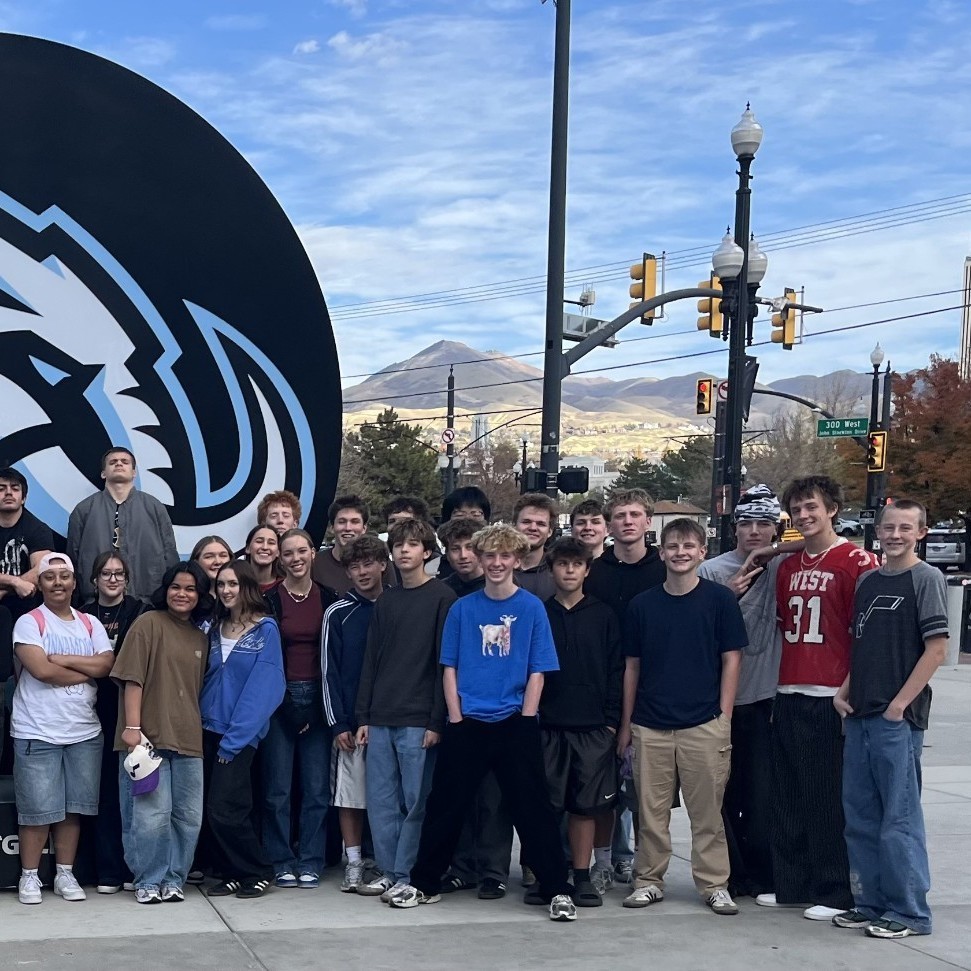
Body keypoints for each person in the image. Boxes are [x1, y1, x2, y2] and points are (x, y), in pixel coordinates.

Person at [388, 524, 576, 923]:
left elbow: (538, 669)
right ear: (479, 557)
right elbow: (449, 666)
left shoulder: (531, 608)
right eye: (489, 555)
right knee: (446, 805)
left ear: (517, 561)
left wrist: (526, 717)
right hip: (468, 721)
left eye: (504, 556)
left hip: (515, 721)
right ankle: (425, 883)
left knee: (533, 808)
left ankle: (557, 888)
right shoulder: (463, 608)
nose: (496, 563)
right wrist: (456, 717)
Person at [757, 475, 880, 921]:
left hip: (829, 693)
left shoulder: (856, 560)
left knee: (825, 795)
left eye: (812, 507)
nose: (805, 515)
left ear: (832, 509)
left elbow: (865, 634)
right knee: (786, 793)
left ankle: (834, 889)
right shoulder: (786, 566)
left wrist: (850, 689)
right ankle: (792, 883)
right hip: (788, 688)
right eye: (797, 508)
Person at [617, 518, 745, 916]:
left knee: (706, 812)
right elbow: (632, 667)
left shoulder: (720, 601)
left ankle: (713, 884)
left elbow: (732, 659)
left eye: (689, 546)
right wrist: (627, 725)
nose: (681, 553)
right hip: (650, 724)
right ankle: (648, 880)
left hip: (703, 723)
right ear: (662, 552)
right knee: (650, 813)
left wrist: (723, 715)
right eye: (673, 546)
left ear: (702, 552)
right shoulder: (643, 605)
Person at [832, 500, 948, 940]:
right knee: (860, 816)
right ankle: (871, 903)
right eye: (889, 527)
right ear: (878, 530)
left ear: (921, 532)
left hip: (897, 721)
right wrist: (844, 692)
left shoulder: (927, 579)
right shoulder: (867, 581)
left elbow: (936, 649)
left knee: (898, 819)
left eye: (905, 528)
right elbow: (862, 645)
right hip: (859, 715)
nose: (895, 534)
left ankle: (909, 912)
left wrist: (899, 705)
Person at [697, 484, 793, 899]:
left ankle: (762, 872)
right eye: (747, 523)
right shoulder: (713, 571)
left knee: (761, 795)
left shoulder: (786, 565)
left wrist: (774, 551)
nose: (754, 531)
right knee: (720, 795)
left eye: (764, 523)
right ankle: (731, 872)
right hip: (719, 702)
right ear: (734, 527)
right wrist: (727, 595)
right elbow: (696, 632)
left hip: (765, 697)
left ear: (776, 528)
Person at [354, 518, 456, 900]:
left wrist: (436, 720)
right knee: (381, 802)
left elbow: (443, 665)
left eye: (412, 545)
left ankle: (409, 872)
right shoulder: (388, 600)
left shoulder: (443, 598)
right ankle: (388, 868)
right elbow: (371, 661)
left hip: (419, 721)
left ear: (427, 552)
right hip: (381, 717)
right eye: (398, 545)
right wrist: (363, 716)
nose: (403, 551)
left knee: (415, 803)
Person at [11, 553, 115, 905]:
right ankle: (29, 877)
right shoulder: (29, 622)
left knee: (73, 809)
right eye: (50, 577)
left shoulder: (89, 623)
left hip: (84, 732)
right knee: (38, 809)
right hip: (37, 730)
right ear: (39, 584)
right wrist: (86, 671)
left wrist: (64, 659)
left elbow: (108, 663)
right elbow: (41, 671)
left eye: (64, 576)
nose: (58, 583)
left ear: (74, 582)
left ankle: (65, 874)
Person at [111, 561, 212, 904]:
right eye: (175, 587)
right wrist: (133, 729)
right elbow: (131, 678)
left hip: (189, 740)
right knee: (149, 816)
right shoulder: (148, 623)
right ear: (165, 590)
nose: (181, 594)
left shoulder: (201, 636)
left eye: (190, 589)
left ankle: (173, 879)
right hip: (146, 741)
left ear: (200, 596)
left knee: (188, 817)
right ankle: (147, 881)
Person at [585, 488, 665, 886]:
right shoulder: (595, 571)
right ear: (609, 524)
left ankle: (627, 856)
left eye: (635, 514)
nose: (628, 521)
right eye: (620, 515)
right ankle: (603, 858)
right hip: (601, 686)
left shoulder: (664, 569)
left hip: (653, 687)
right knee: (602, 781)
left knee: (640, 786)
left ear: (648, 522)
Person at [540, 537, 623, 908]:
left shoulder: (604, 615)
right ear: (551, 569)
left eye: (577, 564)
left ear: (587, 570)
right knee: (546, 805)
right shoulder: (539, 613)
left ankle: (583, 874)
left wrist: (610, 723)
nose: (569, 570)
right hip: (549, 727)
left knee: (586, 807)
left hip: (593, 728)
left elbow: (617, 671)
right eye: (562, 564)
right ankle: (547, 875)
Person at [436, 516, 513, 901]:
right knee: (461, 797)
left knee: (496, 800)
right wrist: (454, 714)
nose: (467, 556)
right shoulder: (452, 599)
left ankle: (494, 872)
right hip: (464, 714)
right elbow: (448, 664)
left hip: (507, 717)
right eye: (459, 549)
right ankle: (461, 867)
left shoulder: (521, 602)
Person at [201, 560, 286, 899]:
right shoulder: (213, 627)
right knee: (216, 808)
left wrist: (234, 741)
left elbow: (265, 688)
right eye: (221, 584)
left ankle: (259, 869)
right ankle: (234, 871)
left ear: (247, 586)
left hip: (239, 735)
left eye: (233, 583)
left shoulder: (265, 629)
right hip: (206, 729)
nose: (226, 590)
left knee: (225, 808)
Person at [262, 529, 336, 888]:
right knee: (277, 789)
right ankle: (281, 859)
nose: (296, 558)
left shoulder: (330, 598)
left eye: (302, 550)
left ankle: (310, 859)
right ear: (280, 559)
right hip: (279, 698)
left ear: (313, 554)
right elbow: (263, 657)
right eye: (288, 552)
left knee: (317, 789)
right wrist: (288, 705)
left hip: (320, 700)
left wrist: (320, 707)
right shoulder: (267, 600)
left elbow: (336, 659)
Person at [321, 534, 389, 892]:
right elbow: (328, 671)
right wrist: (338, 723)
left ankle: (386, 861)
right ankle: (353, 861)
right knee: (350, 795)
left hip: (392, 720)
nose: (362, 572)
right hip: (350, 722)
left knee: (390, 796)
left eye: (368, 564)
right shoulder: (338, 612)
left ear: (383, 564)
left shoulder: (396, 605)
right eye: (354, 566)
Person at [80, 551, 148, 894]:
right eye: (105, 573)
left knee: (132, 790)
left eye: (119, 573)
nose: (112, 579)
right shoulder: (79, 612)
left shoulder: (141, 612)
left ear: (127, 578)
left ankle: (132, 867)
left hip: (129, 708)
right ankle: (105, 869)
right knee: (101, 790)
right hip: (87, 708)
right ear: (94, 579)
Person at [67, 447, 179, 602]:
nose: (119, 464)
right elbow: (73, 557)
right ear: (103, 473)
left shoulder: (154, 507)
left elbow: (170, 552)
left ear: (134, 472)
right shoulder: (84, 510)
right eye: (113, 462)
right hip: (96, 601)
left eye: (125, 462)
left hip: (147, 601)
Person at [0, 467, 53, 621]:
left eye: (15, 488)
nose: (8, 493)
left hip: (26, 609)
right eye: (1, 489)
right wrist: (14, 581)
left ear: (23, 498)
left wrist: (3, 592)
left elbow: (41, 570)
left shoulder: (38, 529)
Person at [312, 495, 369, 597]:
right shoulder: (314, 563)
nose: (348, 528)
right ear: (332, 527)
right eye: (342, 522)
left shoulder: (378, 562)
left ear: (364, 528)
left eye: (354, 522)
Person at [512, 493, 556, 600]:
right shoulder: (497, 566)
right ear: (514, 526)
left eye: (541, 524)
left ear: (550, 531)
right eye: (526, 522)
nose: (533, 528)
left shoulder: (558, 570)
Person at [438, 518, 486, 598]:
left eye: (469, 547)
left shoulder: (496, 586)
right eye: (455, 549)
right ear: (447, 554)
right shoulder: (442, 590)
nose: (463, 555)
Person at [243, 525, 281, 592]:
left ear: (278, 552)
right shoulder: (236, 583)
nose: (265, 547)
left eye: (271, 543)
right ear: (248, 548)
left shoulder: (286, 586)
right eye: (259, 541)